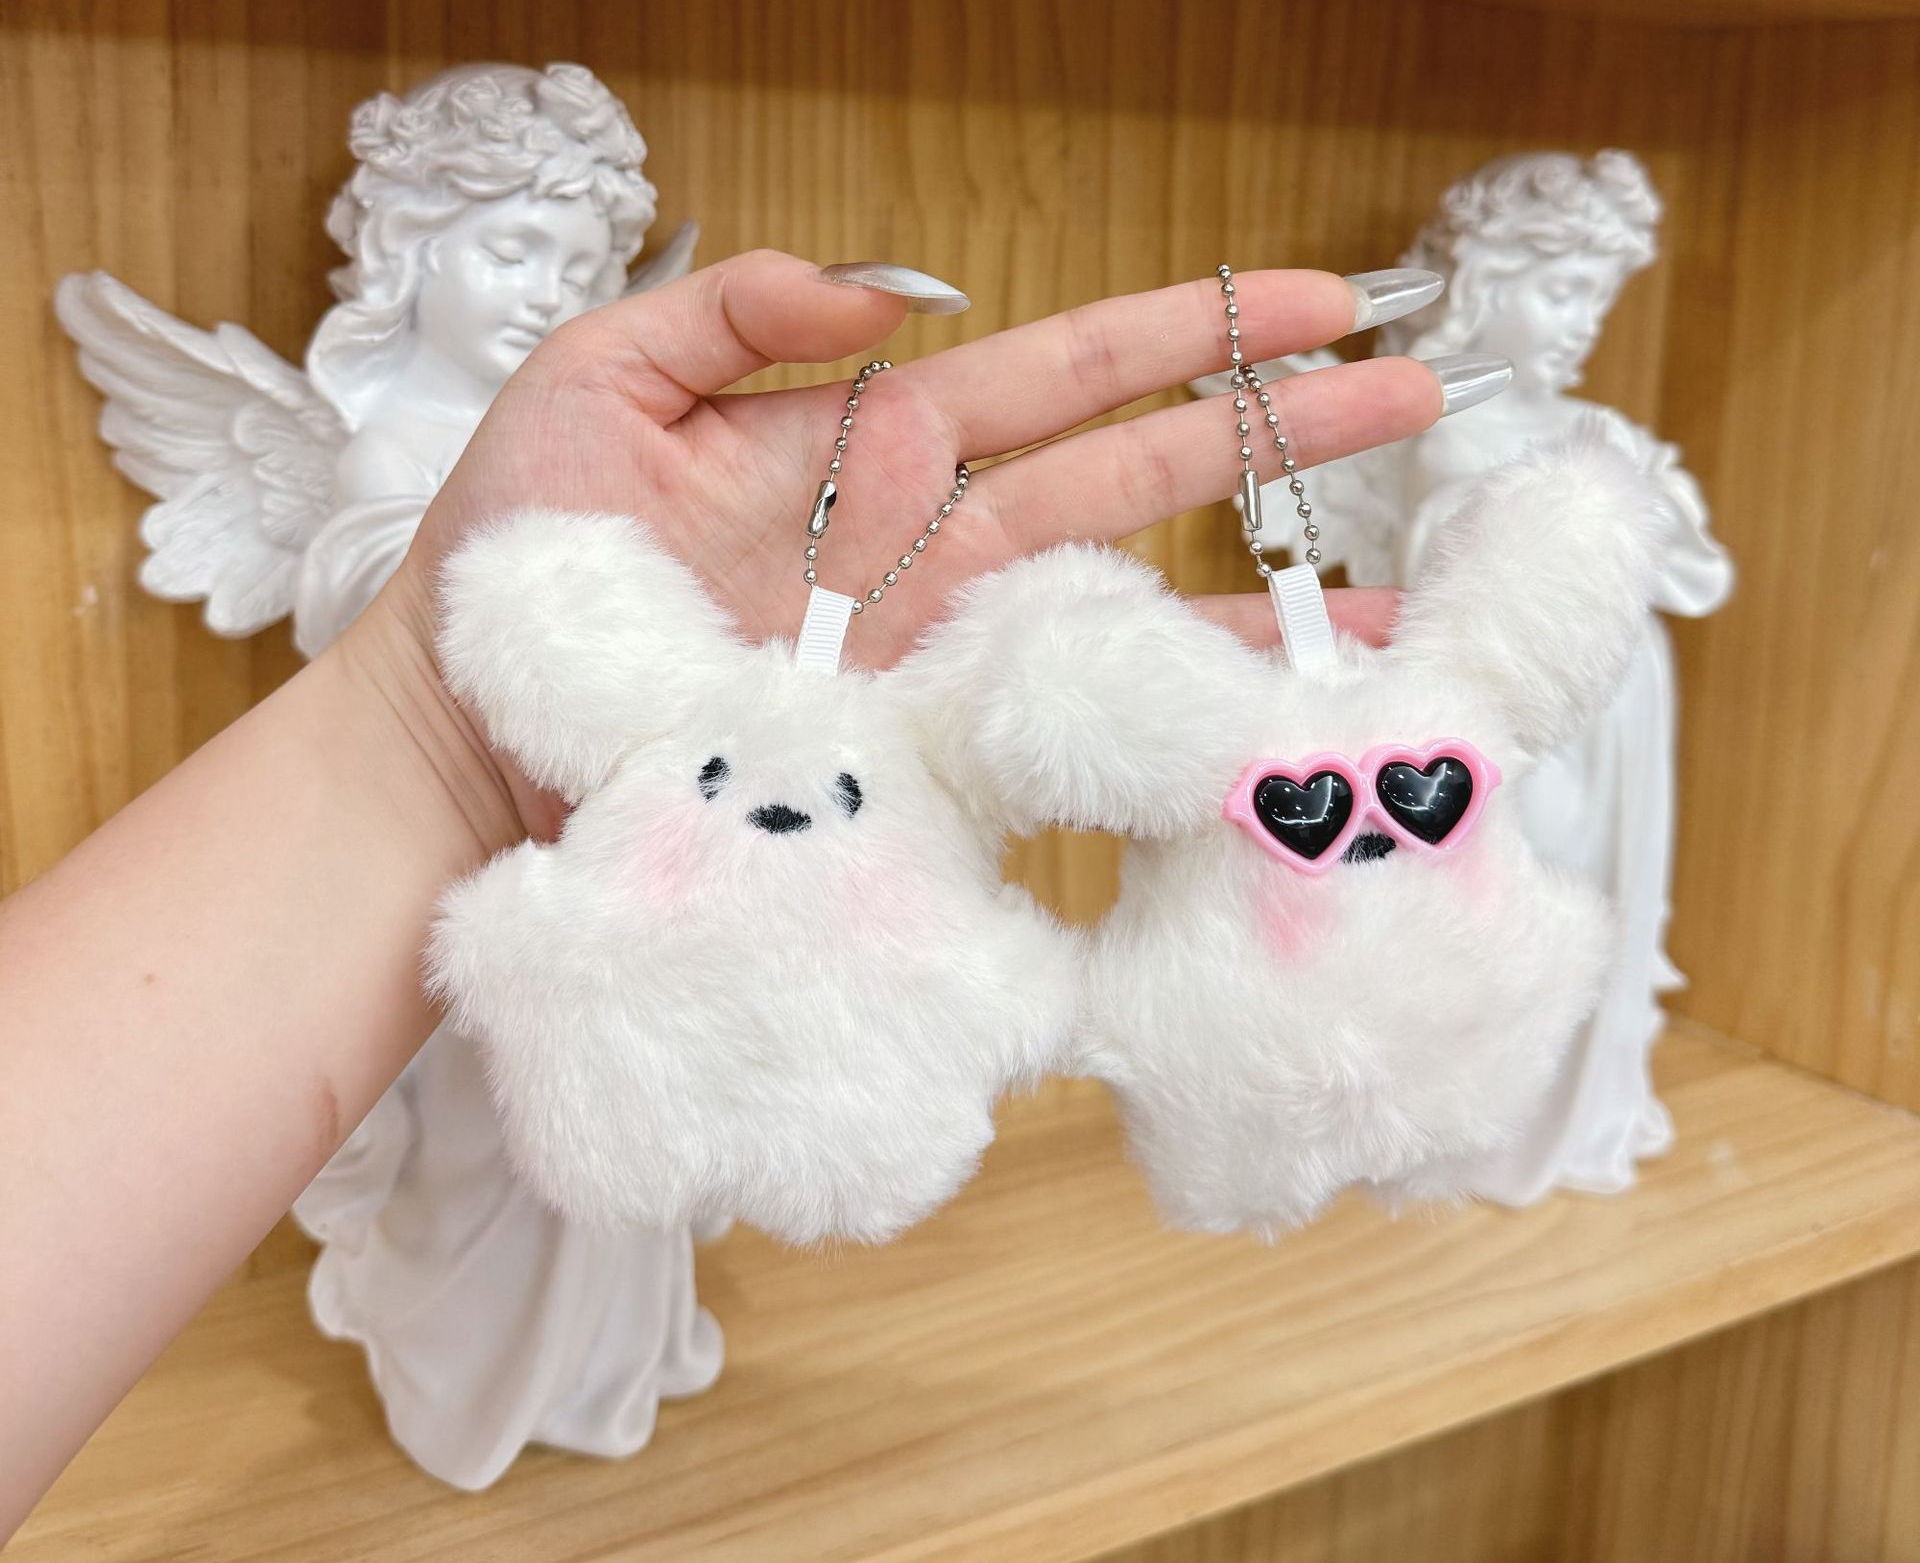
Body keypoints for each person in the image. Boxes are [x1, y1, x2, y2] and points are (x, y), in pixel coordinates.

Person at [0, 249, 1485, 1531]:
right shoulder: (527, 602)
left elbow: (995, 981)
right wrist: (449, 768)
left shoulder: (885, 770)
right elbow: (525, 924)